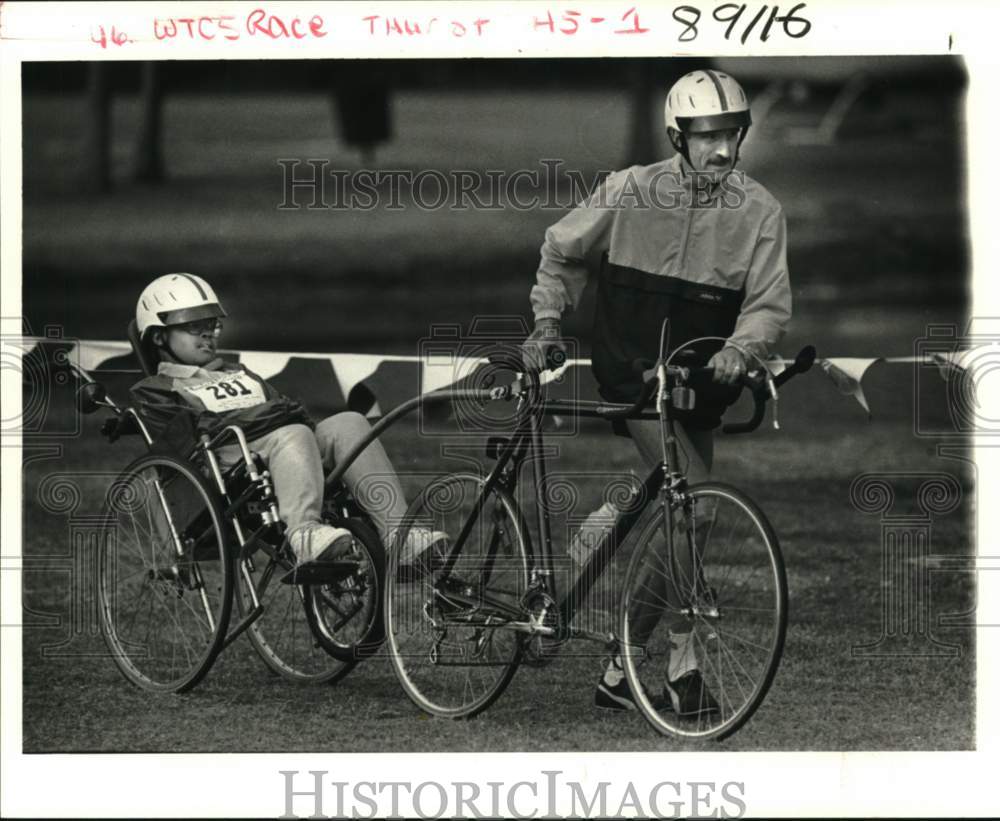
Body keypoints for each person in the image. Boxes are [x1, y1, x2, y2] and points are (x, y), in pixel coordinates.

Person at [522, 69, 792, 715]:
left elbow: (767, 304)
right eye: (708, 137)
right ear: (677, 136)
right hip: (633, 370)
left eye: (733, 134)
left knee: (681, 518)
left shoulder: (760, 210)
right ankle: (681, 665)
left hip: (702, 378)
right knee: (694, 507)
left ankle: (620, 668)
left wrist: (741, 347)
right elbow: (561, 251)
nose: (723, 149)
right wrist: (550, 321)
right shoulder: (630, 189)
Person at [130, 273, 444, 582]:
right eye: (192, 327)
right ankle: (304, 533)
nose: (207, 334)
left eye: (210, 324)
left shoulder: (240, 373)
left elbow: (289, 410)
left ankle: (400, 535)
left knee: (350, 423)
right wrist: (264, 418)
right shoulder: (157, 388)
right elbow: (188, 438)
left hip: (286, 446)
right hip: (230, 464)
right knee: (293, 433)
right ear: (159, 336)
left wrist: (272, 416)